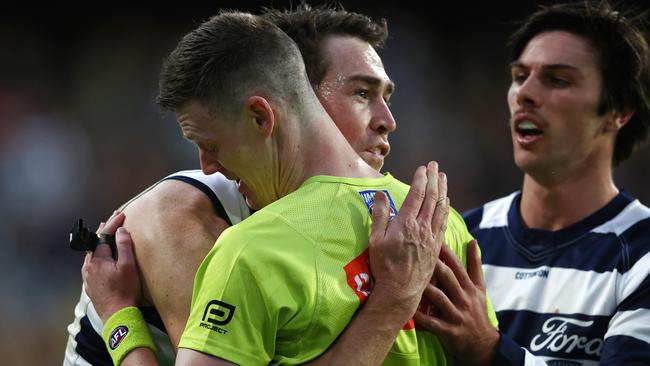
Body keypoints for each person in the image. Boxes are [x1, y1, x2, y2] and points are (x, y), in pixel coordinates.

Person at [80, 9, 493, 366]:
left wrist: (484, 346)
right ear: (298, 96)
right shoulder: (188, 212)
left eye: (210, 145)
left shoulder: (252, 250)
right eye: (362, 93)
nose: (387, 119)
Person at [452, 2, 650, 365]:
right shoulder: (460, 237)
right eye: (519, 76)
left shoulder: (642, 254)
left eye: (558, 80)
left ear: (618, 111)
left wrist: (490, 350)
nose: (525, 93)